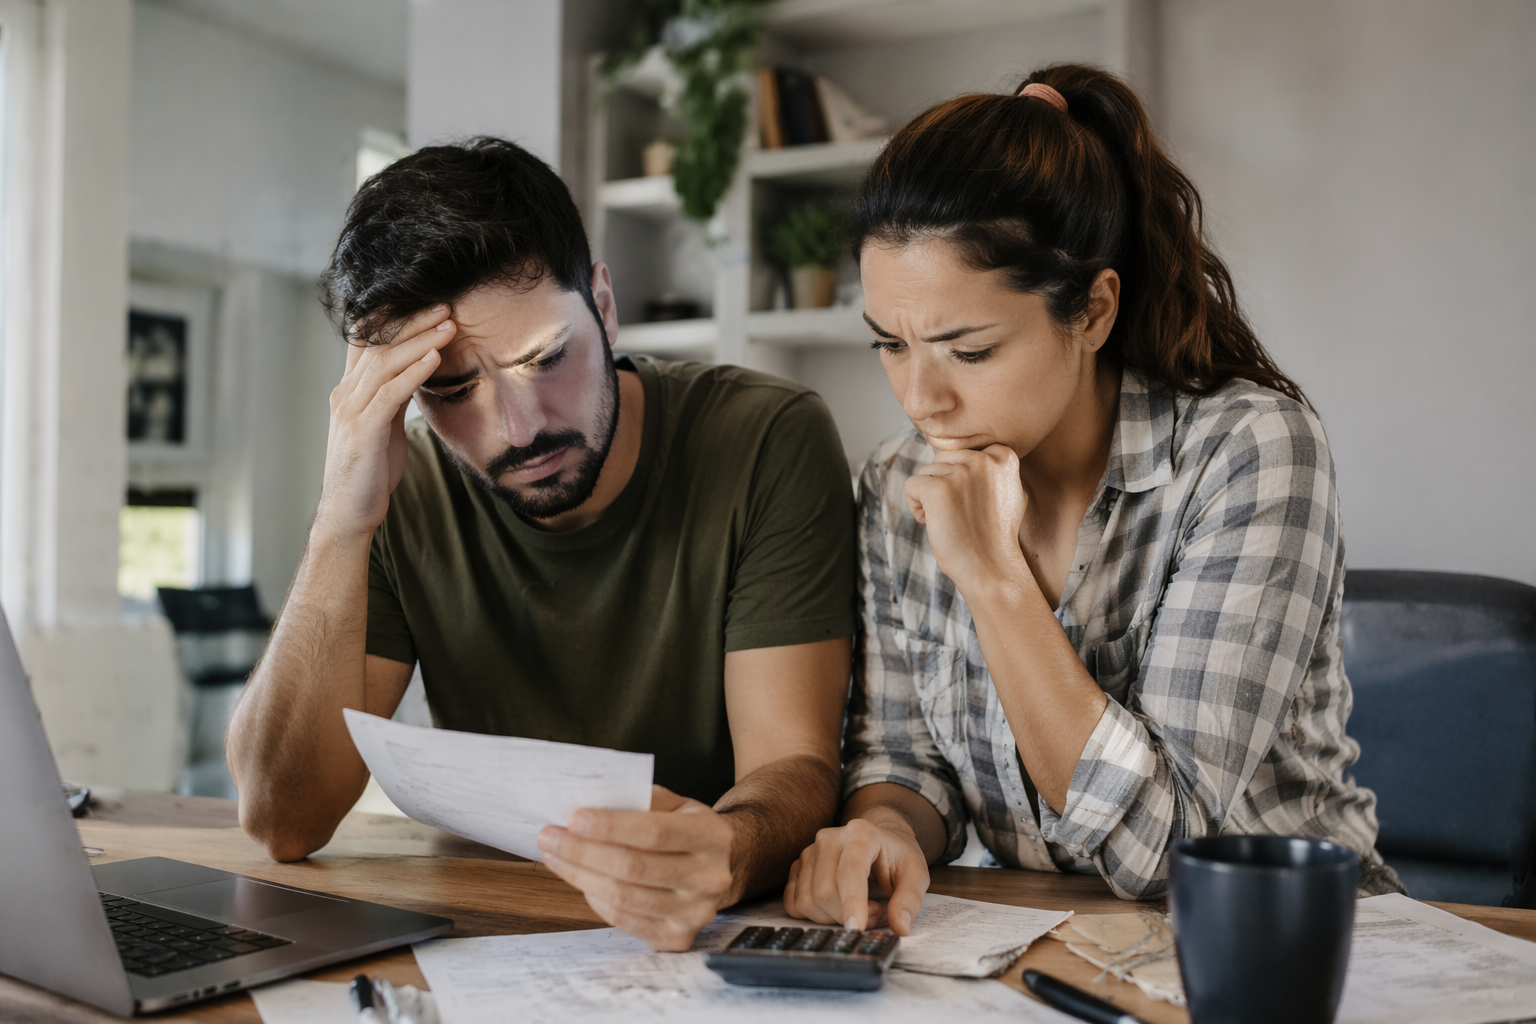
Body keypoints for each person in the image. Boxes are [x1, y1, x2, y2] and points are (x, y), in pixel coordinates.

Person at [782, 65, 1402, 936]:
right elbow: (904, 756)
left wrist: (995, 578)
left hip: (1287, 948)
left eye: (969, 350)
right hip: (1045, 942)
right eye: (890, 343)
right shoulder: (896, 483)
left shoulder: (1247, 452)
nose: (921, 399)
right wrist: (883, 831)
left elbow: (1165, 848)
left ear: (1094, 311)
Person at [226, 138, 857, 952]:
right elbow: (283, 820)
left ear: (603, 300)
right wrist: (339, 524)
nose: (518, 430)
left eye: (545, 358)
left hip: (707, 938)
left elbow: (797, 766)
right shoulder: (398, 492)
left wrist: (726, 854)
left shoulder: (764, 437)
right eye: (451, 390)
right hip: (482, 931)